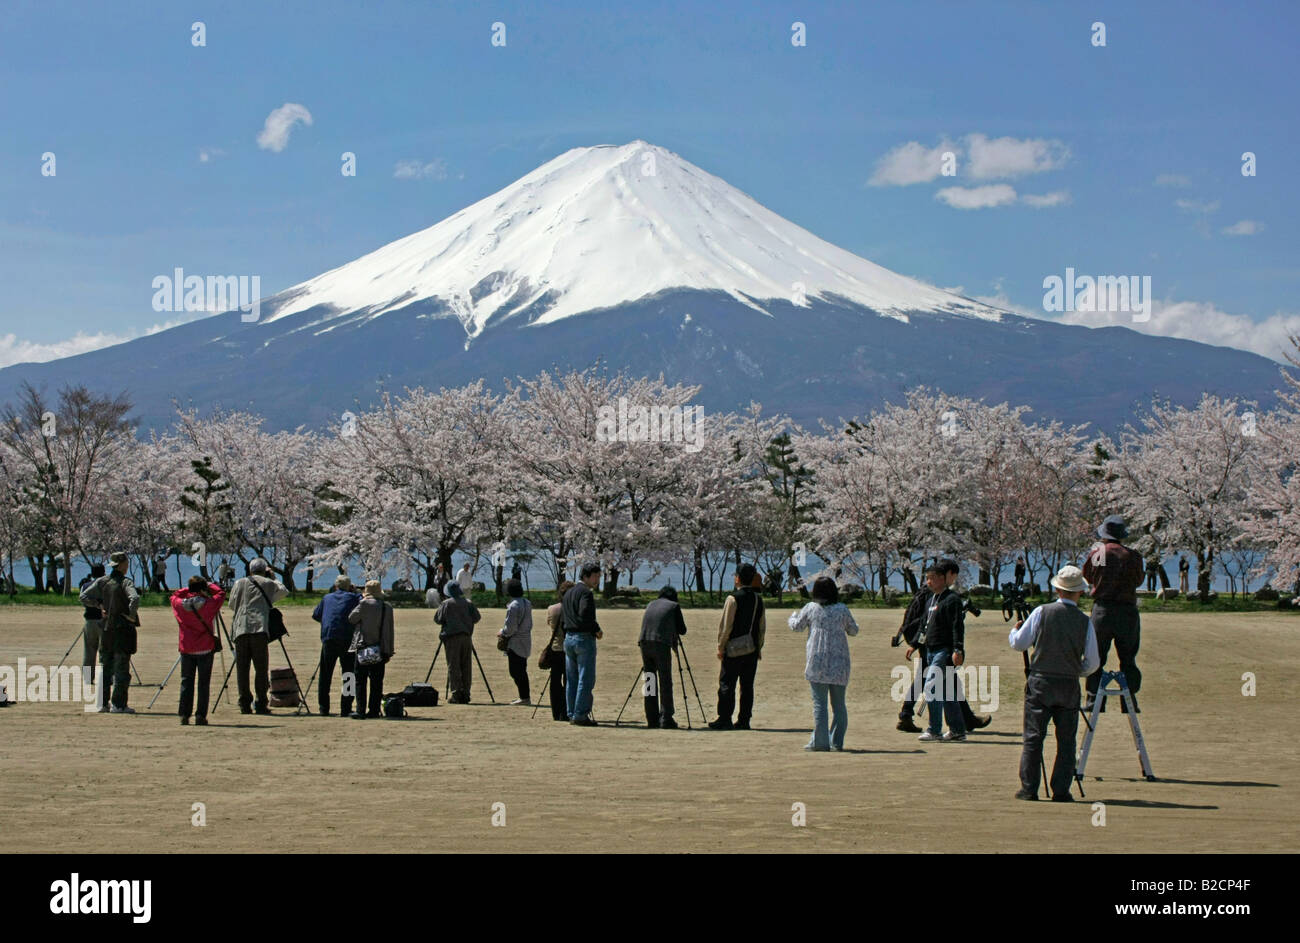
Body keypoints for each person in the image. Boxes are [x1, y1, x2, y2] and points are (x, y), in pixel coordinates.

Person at [1008, 565, 1101, 800]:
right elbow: (1093, 662)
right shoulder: (1084, 621)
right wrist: (1074, 670)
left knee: (1033, 737)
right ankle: (1061, 789)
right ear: (1079, 592)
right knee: (1066, 740)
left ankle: (1029, 788)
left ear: (1058, 590)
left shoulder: (1041, 612)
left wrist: (1014, 631)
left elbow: (1020, 643)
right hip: (1068, 684)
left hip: (1040, 680)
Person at [895, 560, 990, 733]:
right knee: (937, 682)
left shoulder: (932, 593)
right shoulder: (935, 595)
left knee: (941, 682)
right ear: (947, 575)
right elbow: (935, 623)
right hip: (933, 645)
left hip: (930, 644)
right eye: (954, 575)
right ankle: (951, 724)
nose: (955, 579)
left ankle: (959, 721)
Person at [1081, 515, 1145, 713]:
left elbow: (1088, 575)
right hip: (1127, 611)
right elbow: (1139, 580)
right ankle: (1129, 698)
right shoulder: (1133, 555)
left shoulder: (1099, 552)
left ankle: (1094, 699)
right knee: (1128, 656)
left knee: (1096, 654)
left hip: (1103, 609)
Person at [789, 576, 859, 751]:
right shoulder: (842, 609)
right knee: (839, 705)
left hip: (817, 661)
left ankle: (819, 742)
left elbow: (797, 626)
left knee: (820, 704)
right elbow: (853, 630)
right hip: (839, 661)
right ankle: (836, 742)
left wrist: (792, 617)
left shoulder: (812, 608)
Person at [78, 552, 139, 714]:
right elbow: (135, 598)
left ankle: (102, 703)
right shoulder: (126, 582)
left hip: (106, 628)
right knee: (121, 668)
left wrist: (99, 606)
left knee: (105, 667)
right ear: (122, 565)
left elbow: (83, 596)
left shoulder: (102, 582)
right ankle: (119, 704)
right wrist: (131, 616)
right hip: (122, 629)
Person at [914, 562, 967, 742]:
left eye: (932, 578)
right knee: (946, 692)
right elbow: (924, 626)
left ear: (943, 579)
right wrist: (914, 645)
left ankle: (934, 729)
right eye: (927, 578)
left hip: (944, 651)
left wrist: (958, 649)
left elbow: (957, 627)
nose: (928, 582)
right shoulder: (931, 600)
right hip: (930, 650)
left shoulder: (952, 599)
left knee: (931, 686)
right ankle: (957, 730)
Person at [227, 558, 287, 715]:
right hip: (259, 628)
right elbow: (283, 591)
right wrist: (273, 577)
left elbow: (231, 604)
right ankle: (261, 702)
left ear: (250, 570)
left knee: (242, 668)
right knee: (261, 668)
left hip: (240, 628)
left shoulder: (239, 583)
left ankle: (244, 703)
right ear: (265, 570)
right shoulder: (268, 583)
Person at [709, 563, 765, 730]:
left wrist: (720, 646)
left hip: (733, 649)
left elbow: (726, 626)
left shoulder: (732, 598)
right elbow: (762, 627)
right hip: (751, 649)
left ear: (738, 578)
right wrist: (759, 647)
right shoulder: (758, 600)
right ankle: (744, 720)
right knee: (747, 686)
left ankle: (725, 718)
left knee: (727, 683)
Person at [171, 576, 225, 725]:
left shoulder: (180, 605)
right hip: (205, 647)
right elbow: (221, 594)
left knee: (186, 682)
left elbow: (174, 595)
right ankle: (200, 715)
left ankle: (184, 714)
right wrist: (209, 585)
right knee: (203, 683)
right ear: (202, 589)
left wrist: (188, 589)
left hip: (187, 647)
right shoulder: (208, 604)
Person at [638, 585, 688, 729]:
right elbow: (682, 630)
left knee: (649, 678)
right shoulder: (674, 606)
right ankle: (666, 717)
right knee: (665, 680)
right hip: (660, 643)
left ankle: (651, 717)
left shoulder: (651, 604)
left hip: (644, 641)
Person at [312, 575, 362, 716]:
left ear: (335, 586)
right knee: (348, 674)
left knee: (325, 674)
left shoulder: (327, 598)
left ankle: (323, 707)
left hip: (329, 637)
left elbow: (316, 615)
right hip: (347, 638)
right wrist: (356, 592)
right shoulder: (353, 598)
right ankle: (345, 707)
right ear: (349, 586)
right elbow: (363, 604)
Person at [562, 563, 603, 726]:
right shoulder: (586, 593)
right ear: (585, 576)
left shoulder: (569, 592)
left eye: (599, 576)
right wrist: (596, 629)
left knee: (571, 678)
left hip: (569, 637)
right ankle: (580, 714)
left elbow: (565, 617)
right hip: (583, 638)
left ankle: (571, 712)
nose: (598, 580)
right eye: (595, 576)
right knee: (586, 678)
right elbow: (585, 614)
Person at [347, 580, 395, 718]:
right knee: (377, 682)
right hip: (380, 648)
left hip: (364, 647)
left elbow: (351, 618)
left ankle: (360, 709)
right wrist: (389, 650)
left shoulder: (364, 604)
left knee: (360, 680)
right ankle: (374, 709)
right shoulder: (387, 607)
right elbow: (390, 631)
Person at [435, 581, 481, 703]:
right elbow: (477, 618)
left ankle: (456, 693)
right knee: (466, 665)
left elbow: (438, 619)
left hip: (452, 638)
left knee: (453, 665)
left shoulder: (446, 604)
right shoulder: (468, 603)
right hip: (466, 637)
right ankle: (466, 692)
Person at [498, 578, 533, 705]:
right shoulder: (527, 603)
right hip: (526, 640)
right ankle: (524, 696)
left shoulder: (513, 606)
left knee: (516, 671)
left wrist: (502, 632)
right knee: (522, 669)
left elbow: (510, 627)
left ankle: (524, 697)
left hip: (515, 642)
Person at [541, 581, 573, 721]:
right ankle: (566, 710)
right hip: (569, 649)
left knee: (555, 681)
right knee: (569, 680)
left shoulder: (552, 609)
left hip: (555, 648)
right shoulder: (573, 609)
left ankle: (556, 711)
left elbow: (550, 624)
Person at [78, 563, 106, 689]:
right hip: (103, 621)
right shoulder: (106, 585)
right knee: (105, 651)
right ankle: (106, 676)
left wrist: (92, 604)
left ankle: (88, 678)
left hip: (89, 621)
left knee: (89, 651)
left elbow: (82, 599)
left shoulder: (85, 585)